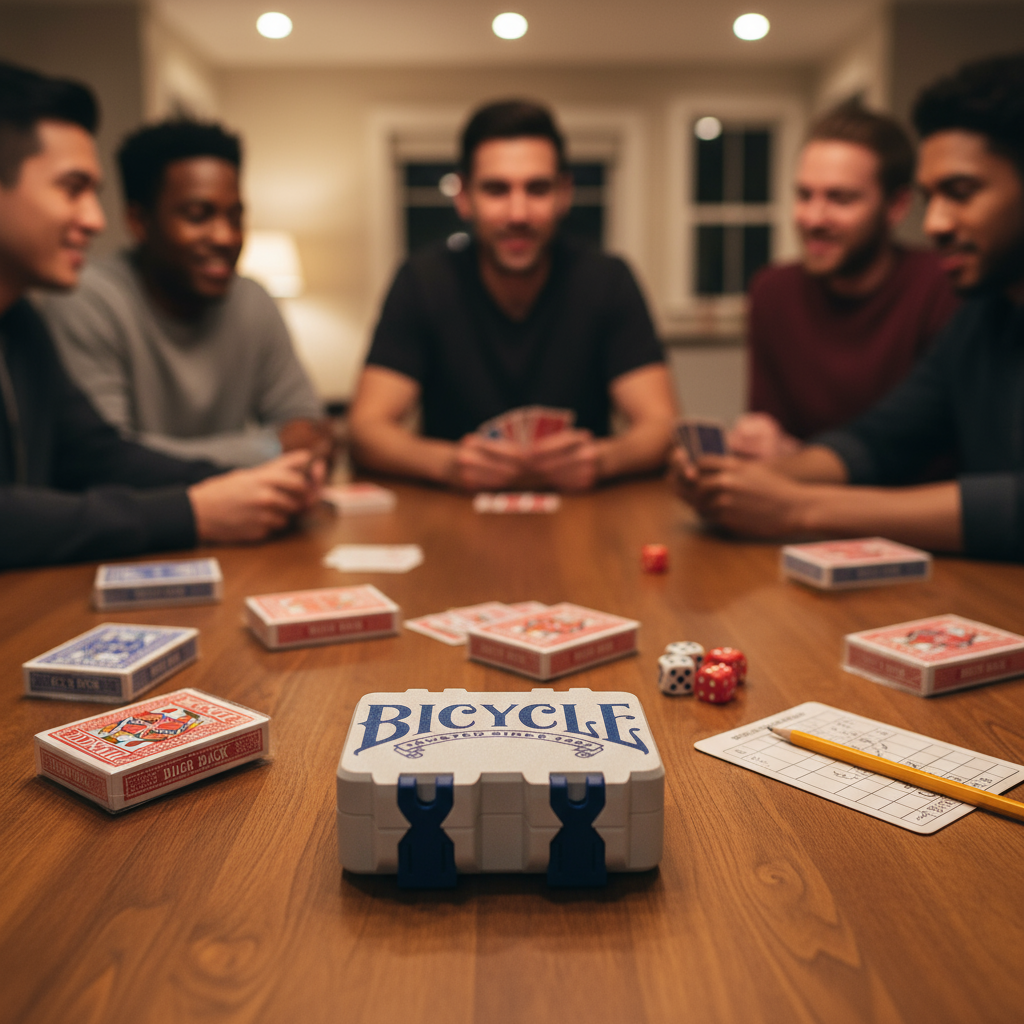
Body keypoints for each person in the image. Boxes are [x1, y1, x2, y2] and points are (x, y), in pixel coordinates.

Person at [671, 54, 1024, 562]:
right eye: (933, 198)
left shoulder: (950, 292)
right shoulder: (983, 311)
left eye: (961, 193)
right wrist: (732, 479)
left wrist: (803, 509)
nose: (936, 224)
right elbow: (881, 439)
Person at [0, 62, 322, 570]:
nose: (94, 219)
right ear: (141, 221)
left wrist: (248, 489)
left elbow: (97, 454)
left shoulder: (20, 324)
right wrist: (192, 510)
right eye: (72, 188)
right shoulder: (74, 303)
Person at [348, 100, 676, 491]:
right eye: (496, 190)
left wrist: (601, 460)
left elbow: (662, 425)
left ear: (564, 194)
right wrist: (449, 463)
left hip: (582, 516)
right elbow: (365, 429)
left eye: (537, 189)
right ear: (464, 196)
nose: (518, 212)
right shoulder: (422, 281)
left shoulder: (608, 280)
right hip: (454, 516)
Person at [40, 118, 331, 469]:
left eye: (235, 217)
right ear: (139, 221)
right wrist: (267, 448)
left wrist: (292, 446)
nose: (226, 237)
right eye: (197, 216)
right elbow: (106, 461)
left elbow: (310, 435)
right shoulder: (87, 300)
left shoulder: (254, 300)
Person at [729, 100, 960, 461]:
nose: (814, 218)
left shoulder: (942, 286)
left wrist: (801, 459)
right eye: (804, 195)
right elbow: (770, 429)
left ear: (896, 206)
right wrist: (753, 444)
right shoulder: (772, 291)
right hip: (796, 501)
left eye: (840, 198)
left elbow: (942, 453)